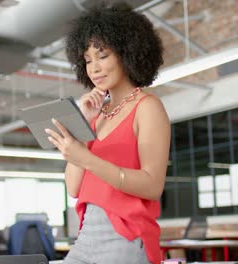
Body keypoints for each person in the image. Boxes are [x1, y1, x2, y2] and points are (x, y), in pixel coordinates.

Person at [45, 3, 170, 264]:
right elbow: (74, 187)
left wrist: (86, 157)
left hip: (125, 235)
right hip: (86, 234)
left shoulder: (148, 107)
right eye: (88, 60)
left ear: (127, 53)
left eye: (102, 56)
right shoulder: (97, 115)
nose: (94, 68)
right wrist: (82, 129)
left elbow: (152, 186)